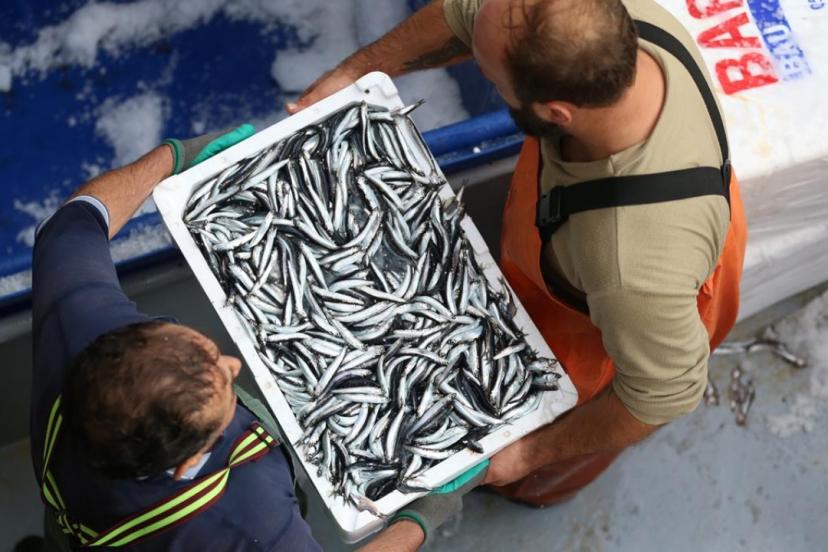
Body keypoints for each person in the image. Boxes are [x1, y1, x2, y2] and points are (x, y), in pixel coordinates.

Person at [289, 0, 746, 506]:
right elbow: (468, 14)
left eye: (491, 78)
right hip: (632, 232)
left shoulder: (627, 264)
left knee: (538, 460)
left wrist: (527, 454)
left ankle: (535, 490)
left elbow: (663, 395)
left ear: (555, 114)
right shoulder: (608, 25)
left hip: (624, 323)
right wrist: (355, 73)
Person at [30, 126, 486, 550]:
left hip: (75, 512)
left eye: (208, 352)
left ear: (132, 334)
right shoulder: (250, 520)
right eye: (226, 392)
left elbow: (69, 226)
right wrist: (421, 517)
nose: (234, 365)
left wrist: (172, 158)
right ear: (190, 464)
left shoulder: (78, 324)